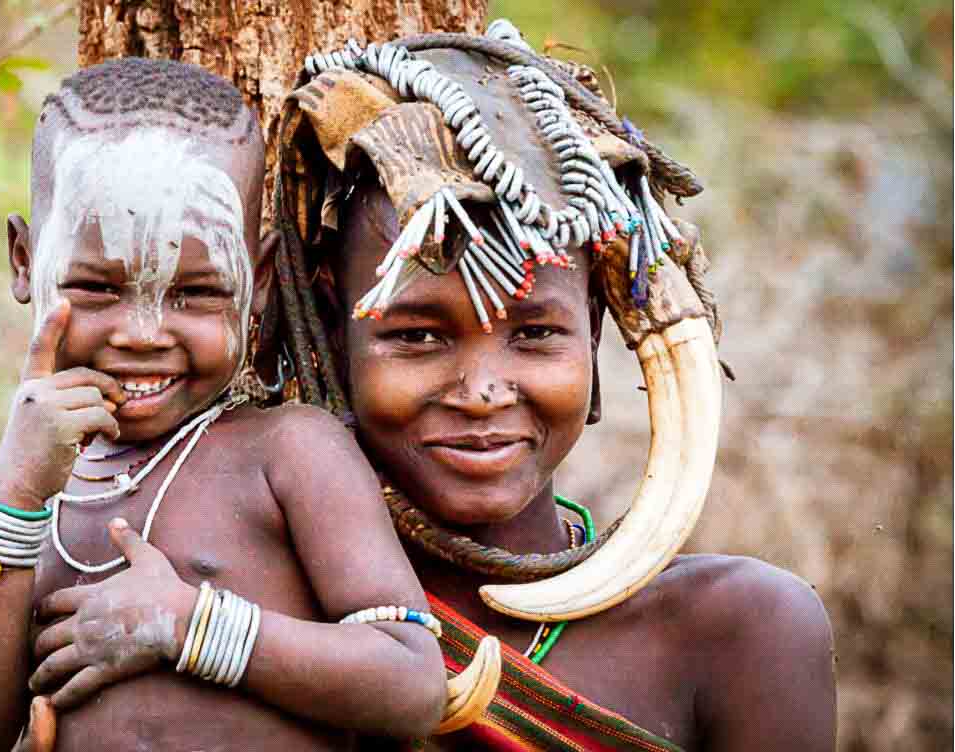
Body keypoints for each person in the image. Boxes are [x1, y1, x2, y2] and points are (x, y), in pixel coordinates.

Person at [269, 22, 838, 751]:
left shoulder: (741, 626)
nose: (481, 391)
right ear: (330, 325)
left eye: (535, 334)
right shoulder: (269, 617)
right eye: (416, 335)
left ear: (596, 335)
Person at [0, 57, 446, 752]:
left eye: (194, 292)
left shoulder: (286, 451)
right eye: (96, 288)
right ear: (25, 261)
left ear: (255, 281)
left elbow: (410, 684)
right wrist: (14, 496)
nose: (142, 336)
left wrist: (188, 627)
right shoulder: (31, 491)